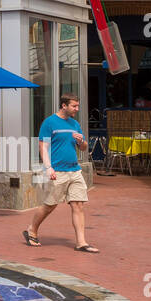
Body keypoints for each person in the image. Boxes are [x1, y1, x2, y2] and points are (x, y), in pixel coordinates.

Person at [25, 94, 97, 253]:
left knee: (78, 205)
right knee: (49, 206)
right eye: (74, 106)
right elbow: (43, 146)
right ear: (64, 106)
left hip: (75, 170)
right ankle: (32, 229)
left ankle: (81, 242)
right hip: (58, 171)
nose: (77, 109)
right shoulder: (49, 122)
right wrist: (48, 167)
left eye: (78, 106)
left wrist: (81, 141)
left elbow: (84, 148)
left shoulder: (75, 124)